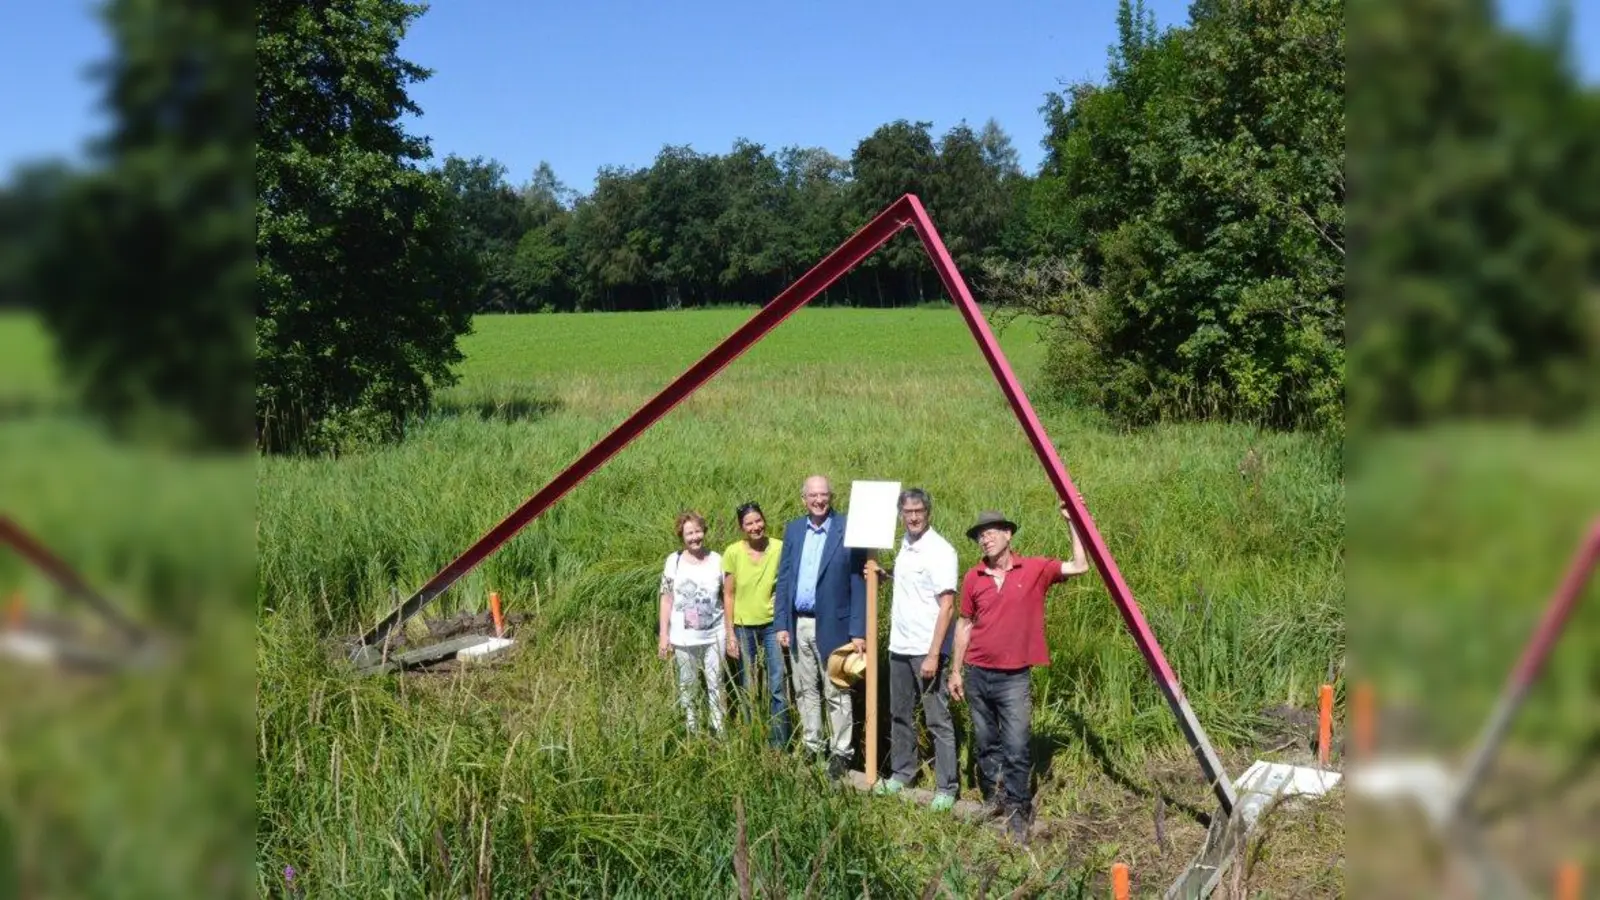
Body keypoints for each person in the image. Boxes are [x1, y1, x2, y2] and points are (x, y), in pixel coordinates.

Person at [948, 500, 1090, 843]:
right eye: (981, 535)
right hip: (977, 672)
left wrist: (1072, 521)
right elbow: (964, 625)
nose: (986, 539)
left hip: (1014, 677)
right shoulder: (973, 576)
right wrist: (955, 671)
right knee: (985, 743)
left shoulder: (1035, 569)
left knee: (1016, 745)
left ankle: (1018, 807)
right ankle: (995, 798)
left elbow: (1081, 566)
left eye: (992, 532)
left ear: (1008, 534)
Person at [774, 474, 867, 780]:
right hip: (799, 623)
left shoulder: (846, 529)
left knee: (836, 690)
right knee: (805, 690)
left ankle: (841, 753)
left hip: (835, 626)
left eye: (823, 494)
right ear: (804, 499)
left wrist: (858, 631)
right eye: (812, 495)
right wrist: (782, 623)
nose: (818, 500)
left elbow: (857, 582)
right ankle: (813, 744)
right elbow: (785, 578)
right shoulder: (794, 529)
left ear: (831, 497)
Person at [874, 487, 960, 812]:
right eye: (907, 512)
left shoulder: (940, 550)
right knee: (900, 715)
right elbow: (914, 584)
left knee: (937, 719)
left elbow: (947, 606)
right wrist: (887, 576)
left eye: (918, 511)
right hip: (899, 646)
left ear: (928, 512)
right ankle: (902, 773)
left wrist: (934, 654)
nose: (913, 517)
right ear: (901, 515)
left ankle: (946, 788)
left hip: (926, 650)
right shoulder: (905, 547)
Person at [721, 501, 790, 748]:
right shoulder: (733, 553)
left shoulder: (780, 547)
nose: (755, 527)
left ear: (765, 520)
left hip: (772, 624)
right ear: (741, 527)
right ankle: (753, 740)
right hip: (742, 626)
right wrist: (729, 633)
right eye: (749, 523)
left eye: (758, 521)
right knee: (748, 685)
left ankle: (779, 744)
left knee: (777, 684)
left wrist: (785, 625)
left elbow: (785, 586)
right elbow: (728, 594)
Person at [658, 511, 726, 736]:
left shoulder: (717, 559)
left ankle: (719, 730)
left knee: (716, 683)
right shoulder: (673, 561)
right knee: (688, 684)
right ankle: (692, 729)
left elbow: (727, 596)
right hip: (683, 638)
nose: (695, 537)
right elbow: (666, 598)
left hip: (715, 635)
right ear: (682, 536)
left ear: (704, 531)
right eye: (689, 533)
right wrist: (664, 635)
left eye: (698, 531)